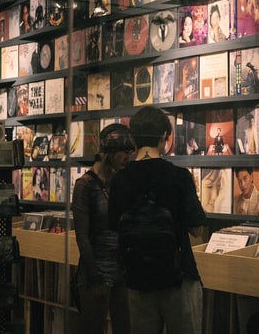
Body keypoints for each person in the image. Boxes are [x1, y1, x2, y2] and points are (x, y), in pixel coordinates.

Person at [108, 107, 206, 334]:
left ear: (133, 138)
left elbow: (114, 227)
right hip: (178, 277)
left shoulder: (119, 180)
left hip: (137, 279)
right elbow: (196, 229)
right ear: (164, 136)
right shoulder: (178, 176)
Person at [72, 123, 135, 334]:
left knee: (124, 326)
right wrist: (94, 276)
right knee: (93, 328)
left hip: (120, 267)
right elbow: (82, 236)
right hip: (96, 267)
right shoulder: (85, 185)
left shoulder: (118, 182)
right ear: (111, 153)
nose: (127, 158)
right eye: (123, 153)